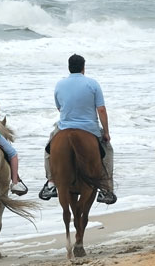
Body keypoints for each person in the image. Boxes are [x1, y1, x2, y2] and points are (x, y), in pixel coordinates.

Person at [39, 54, 117, 204]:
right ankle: (106, 188)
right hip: (89, 128)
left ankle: (51, 183)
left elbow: (59, 107)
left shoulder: (60, 85)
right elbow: (101, 110)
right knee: (107, 150)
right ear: (83, 68)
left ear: (69, 68)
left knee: (48, 150)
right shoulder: (93, 84)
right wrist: (106, 132)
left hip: (64, 127)